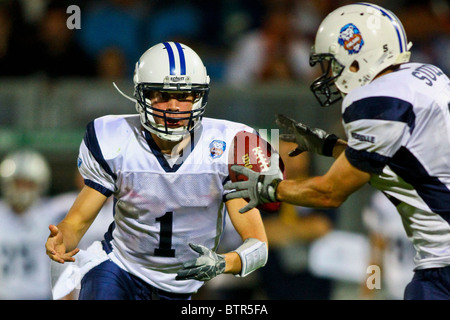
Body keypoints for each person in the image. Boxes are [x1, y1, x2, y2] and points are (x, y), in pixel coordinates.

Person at [225, 3, 450, 300]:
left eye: (333, 63)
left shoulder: (374, 102)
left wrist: (270, 188)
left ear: (357, 60)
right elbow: (404, 161)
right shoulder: (424, 74)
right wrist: (332, 147)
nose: (329, 74)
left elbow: (328, 193)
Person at [45, 41, 268, 300]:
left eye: (184, 96)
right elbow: (78, 221)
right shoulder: (115, 138)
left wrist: (223, 263)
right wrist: (63, 238)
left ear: (199, 97)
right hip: (120, 268)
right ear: (142, 95)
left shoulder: (229, 145)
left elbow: (258, 246)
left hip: (184, 286)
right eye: (162, 95)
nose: (174, 106)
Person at [0, 149, 61, 299]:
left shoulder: (51, 215)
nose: (22, 190)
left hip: (39, 294)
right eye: (18, 183)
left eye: (28, 184)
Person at [360, 190, 415, 300]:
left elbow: (376, 256)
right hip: (428, 287)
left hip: (400, 287)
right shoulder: (382, 201)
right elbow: (377, 253)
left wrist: (368, 293)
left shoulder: (383, 200)